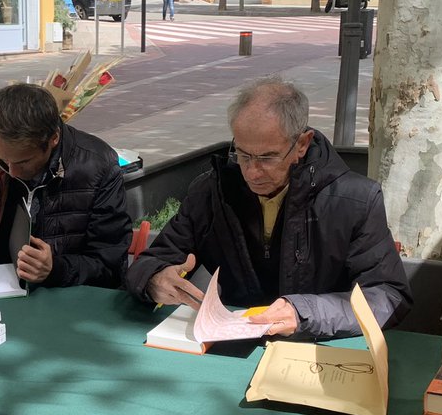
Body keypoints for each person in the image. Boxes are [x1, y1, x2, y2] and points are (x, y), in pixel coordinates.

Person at [126, 77, 411, 339]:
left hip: (314, 347)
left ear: (302, 144)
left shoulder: (355, 201)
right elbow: (153, 259)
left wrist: (304, 312)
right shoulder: (213, 190)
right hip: (229, 342)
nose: (252, 172)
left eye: (267, 157)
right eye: (243, 154)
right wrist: (154, 279)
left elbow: (388, 295)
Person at [0, 83, 131, 288]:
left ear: (53, 139)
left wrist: (55, 269)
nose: (10, 171)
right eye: (3, 159)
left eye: (23, 162)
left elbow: (110, 266)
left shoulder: (97, 167)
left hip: (67, 300)